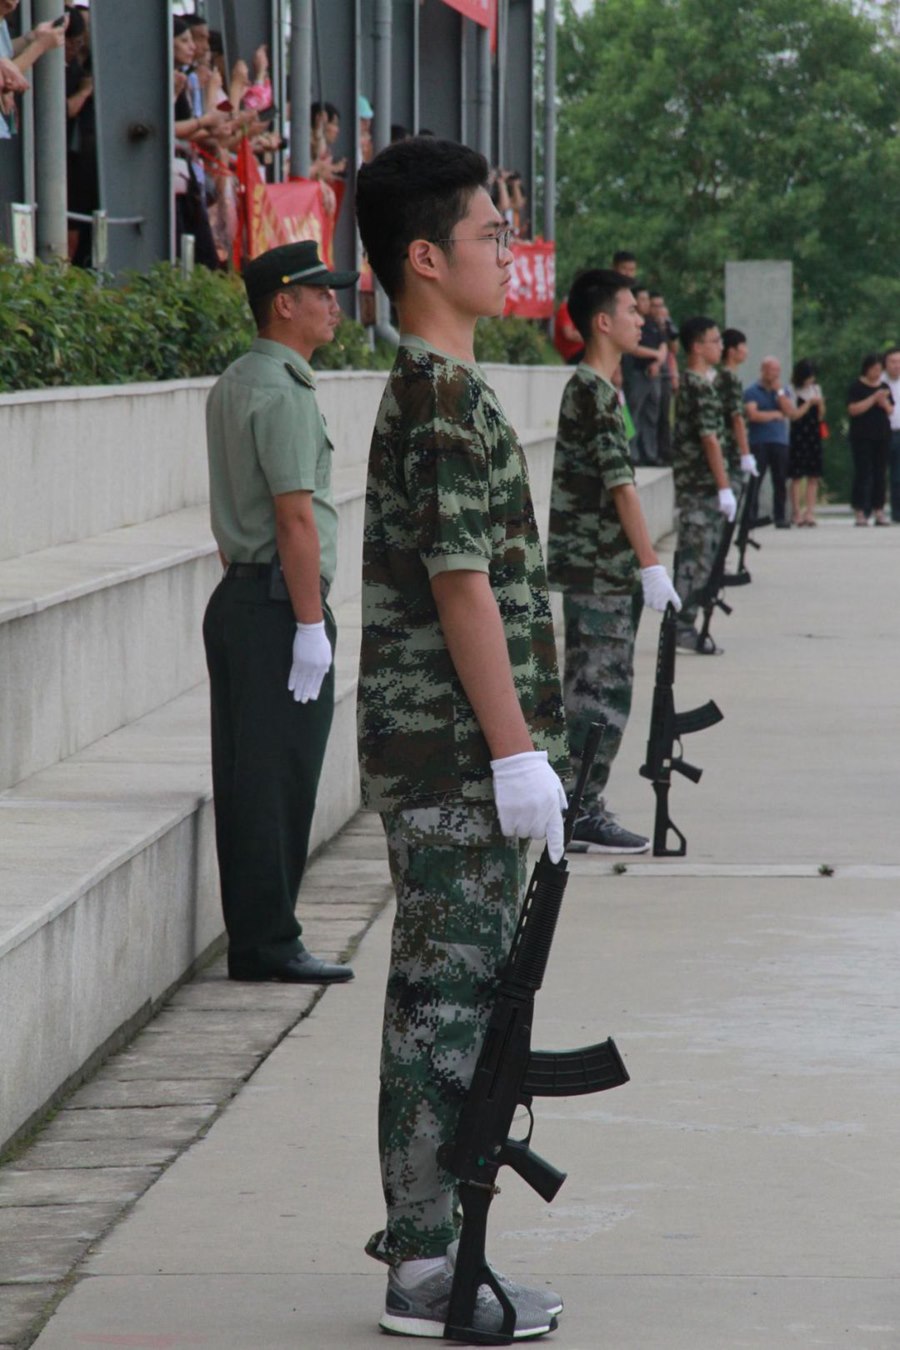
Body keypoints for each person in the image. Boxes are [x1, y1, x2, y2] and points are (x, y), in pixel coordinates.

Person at [355, 135, 567, 1341]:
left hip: (456, 759)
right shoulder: (437, 395)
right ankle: (425, 1269)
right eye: (492, 233)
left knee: (468, 1003)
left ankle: (443, 1249)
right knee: (444, 1006)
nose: (508, 249)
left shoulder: (453, 388)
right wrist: (513, 750)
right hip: (451, 763)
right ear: (426, 257)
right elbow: (460, 585)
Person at [202, 240, 359, 985]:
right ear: (283, 304)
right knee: (278, 780)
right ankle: (269, 944)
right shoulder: (285, 391)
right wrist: (306, 624)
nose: (335, 303)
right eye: (321, 292)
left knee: (246, 780)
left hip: (242, 597)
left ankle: (259, 937)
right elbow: (295, 519)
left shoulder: (238, 380)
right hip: (277, 607)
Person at [547, 268, 681, 855]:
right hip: (599, 567)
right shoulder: (592, 391)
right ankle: (578, 809)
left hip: (602, 566)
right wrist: (651, 563)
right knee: (600, 694)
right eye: (630, 310)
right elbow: (621, 484)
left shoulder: (601, 388)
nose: (640, 319)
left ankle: (576, 804)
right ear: (603, 322)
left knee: (597, 688)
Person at [672, 316, 736, 654]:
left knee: (700, 558)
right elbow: (710, 440)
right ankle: (682, 626)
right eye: (714, 340)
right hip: (700, 488)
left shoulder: (697, 383)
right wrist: (724, 487)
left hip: (699, 486)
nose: (720, 346)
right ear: (697, 346)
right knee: (694, 560)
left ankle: (684, 624)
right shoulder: (698, 385)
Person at [743, 357, 795, 528]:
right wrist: (774, 415)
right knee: (756, 480)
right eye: (772, 370)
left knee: (780, 480)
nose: (775, 374)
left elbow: (788, 412)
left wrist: (779, 393)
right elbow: (753, 415)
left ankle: (780, 516)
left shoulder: (783, 391)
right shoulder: (752, 391)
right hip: (759, 441)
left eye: (777, 371)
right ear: (764, 370)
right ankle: (751, 515)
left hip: (779, 441)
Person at [621, 283, 668, 466]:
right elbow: (632, 348)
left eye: (647, 299)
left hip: (654, 374)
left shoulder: (652, 323)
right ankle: (632, 453)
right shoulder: (631, 322)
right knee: (634, 413)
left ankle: (650, 453)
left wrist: (657, 361)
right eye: (642, 299)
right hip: (637, 373)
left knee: (652, 415)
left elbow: (663, 344)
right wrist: (654, 355)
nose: (646, 303)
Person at [846, 352, 892, 526]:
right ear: (867, 369)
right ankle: (860, 510)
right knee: (863, 473)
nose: (877, 373)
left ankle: (878, 509)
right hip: (862, 436)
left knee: (880, 473)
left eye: (880, 369)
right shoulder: (857, 387)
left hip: (882, 435)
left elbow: (890, 410)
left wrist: (884, 402)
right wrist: (873, 398)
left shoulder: (884, 386)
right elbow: (853, 409)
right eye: (874, 369)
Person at [715, 328, 758, 495]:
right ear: (732, 350)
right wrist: (745, 452)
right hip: (731, 448)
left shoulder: (727, 376)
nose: (746, 350)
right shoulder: (729, 378)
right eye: (743, 346)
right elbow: (736, 417)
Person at [788, 358, 825, 526]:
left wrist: (820, 403)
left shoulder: (816, 389)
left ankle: (810, 511)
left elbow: (820, 415)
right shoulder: (792, 391)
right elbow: (794, 415)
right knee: (796, 476)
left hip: (813, 434)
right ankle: (796, 511)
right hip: (798, 435)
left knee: (813, 475)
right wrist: (809, 403)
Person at [881, 347, 900, 522]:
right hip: (883, 433)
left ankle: (897, 513)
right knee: (879, 472)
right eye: (893, 362)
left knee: (898, 476)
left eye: (899, 361)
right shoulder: (879, 383)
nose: (897, 365)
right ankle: (874, 510)